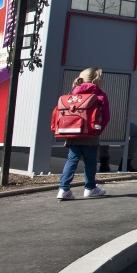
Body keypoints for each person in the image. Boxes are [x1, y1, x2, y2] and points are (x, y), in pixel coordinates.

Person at [56, 68, 110, 200]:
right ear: (96, 80)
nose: (103, 81)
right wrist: (97, 131)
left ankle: (63, 189)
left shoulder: (72, 94)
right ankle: (90, 188)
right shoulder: (100, 95)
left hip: (72, 132)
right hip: (90, 135)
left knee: (72, 160)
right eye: (101, 78)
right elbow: (106, 117)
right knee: (90, 161)